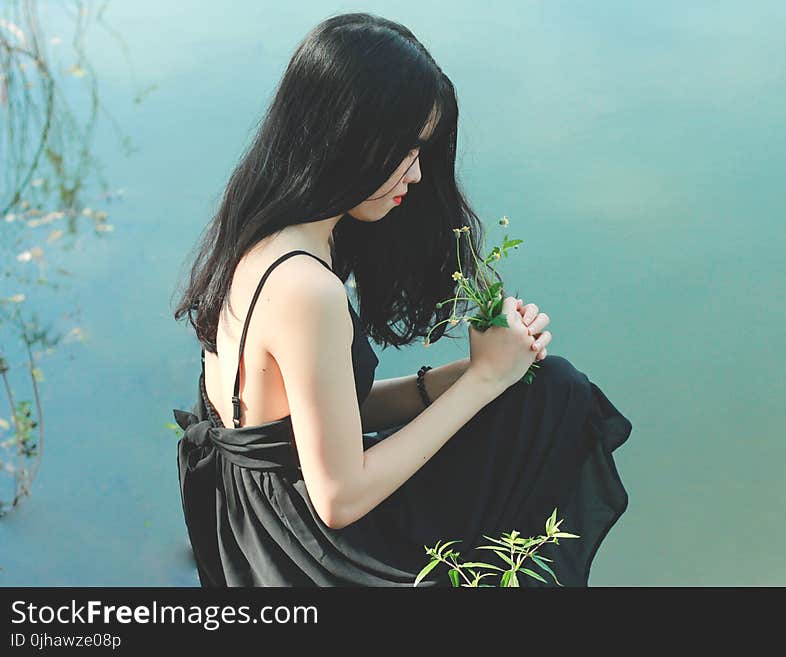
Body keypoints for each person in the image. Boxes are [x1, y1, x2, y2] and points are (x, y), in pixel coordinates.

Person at [171, 12, 632, 587]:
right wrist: (483, 383)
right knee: (557, 399)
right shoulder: (306, 286)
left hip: (266, 522)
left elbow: (308, 422)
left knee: (539, 388)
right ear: (343, 132)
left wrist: (478, 372)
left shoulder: (264, 238)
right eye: (404, 149)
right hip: (306, 552)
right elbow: (339, 497)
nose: (415, 174)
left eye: (423, 150)